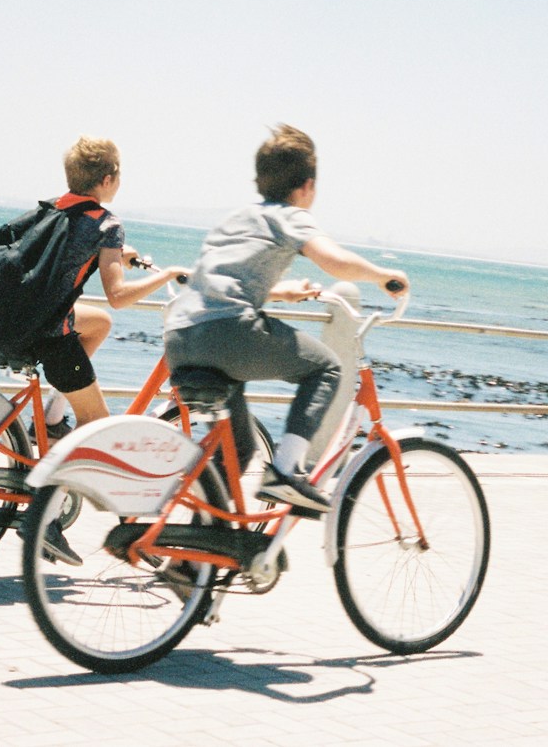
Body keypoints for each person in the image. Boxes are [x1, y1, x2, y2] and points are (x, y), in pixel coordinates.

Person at [162, 124, 407, 513]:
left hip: (180, 335)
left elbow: (215, 280)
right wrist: (383, 277)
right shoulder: (292, 216)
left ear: (260, 179)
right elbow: (332, 260)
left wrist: (279, 292)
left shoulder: (236, 218)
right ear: (308, 186)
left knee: (236, 453)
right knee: (326, 367)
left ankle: (191, 556)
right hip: (226, 333)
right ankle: (285, 471)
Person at [24, 136, 185, 564]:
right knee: (98, 428)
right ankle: (47, 518)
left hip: (26, 320)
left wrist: (115, 255)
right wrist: (165, 273)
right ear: (109, 179)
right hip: (53, 336)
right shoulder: (106, 222)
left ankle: (54, 417)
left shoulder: (56, 208)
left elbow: (74, 253)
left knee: (99, 324)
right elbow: (117, 295)